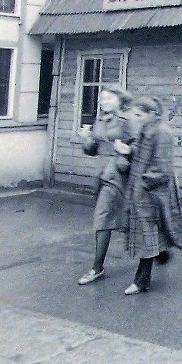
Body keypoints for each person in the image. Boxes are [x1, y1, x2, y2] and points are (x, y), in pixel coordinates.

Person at [122, 96, 182, 295]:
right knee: (150, 232)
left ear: (151, 114)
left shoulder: (162, 133)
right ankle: (161, 253)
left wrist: (143, 184)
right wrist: (128, 151)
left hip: (154, 191)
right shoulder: (146, 129)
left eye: (138, 115)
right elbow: (141, 152)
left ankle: (141, 281)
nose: (134, 118)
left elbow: (162, 168)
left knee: (146, 233)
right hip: (143, 188)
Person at [77, 85, 133, 286]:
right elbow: (92, 150)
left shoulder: (128, 120)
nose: (104, 102)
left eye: (108, 98)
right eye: (102, 99)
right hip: (102, 174)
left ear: (119, 100)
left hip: (120, 175)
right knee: (122, 217)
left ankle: (97, 267)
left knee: (103, 217)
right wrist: (87, 139)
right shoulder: (99, 120)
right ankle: (156, 251)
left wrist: (126, 150)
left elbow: (141, 145)